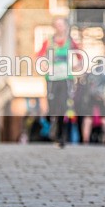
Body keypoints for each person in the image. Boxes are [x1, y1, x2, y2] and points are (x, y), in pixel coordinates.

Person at [37, 17, 81, 147]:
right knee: (52, 106)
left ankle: (61, 136)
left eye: (61, 25)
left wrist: (78, 65)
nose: (59, 27)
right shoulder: (49, 42)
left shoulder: (70, 42)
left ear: (65, 27)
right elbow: (39, 56)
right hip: (51, 78)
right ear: (54, 27)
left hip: (65, 78)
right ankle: (51, 124)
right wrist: (43, 64)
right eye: (57, 25)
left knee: (63, 106)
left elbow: (80, 55)